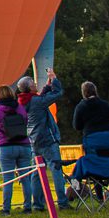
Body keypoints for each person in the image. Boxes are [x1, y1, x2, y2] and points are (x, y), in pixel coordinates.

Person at [0, 85, 37, 213]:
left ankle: (6, 209)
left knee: (8, 179)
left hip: (6, 147)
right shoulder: (20, 107)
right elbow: (25, 121)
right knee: (25, 178)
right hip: (24, 145)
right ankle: (27, 207)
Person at [24, 74, 71, 209]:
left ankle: (38, 203)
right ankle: (62, 201)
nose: (35, 84)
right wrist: (55, 79)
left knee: (37, 173)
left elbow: (40, 97)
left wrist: (47, 85)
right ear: (30, 88)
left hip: (34, 140)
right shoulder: (37, 102)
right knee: (56, 168)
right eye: (33, 83)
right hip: (47, 139)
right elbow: (57, 93)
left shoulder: (25, 101)